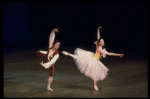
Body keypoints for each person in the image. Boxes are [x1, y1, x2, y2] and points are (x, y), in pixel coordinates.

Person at [62, 27, 124, 91]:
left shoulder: (99, 46)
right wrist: (118, 55)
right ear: (99, 43)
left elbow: (98, 37)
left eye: (103, 41)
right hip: (94, 60)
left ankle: (69, 54)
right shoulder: (99, 48)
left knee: (96, 73)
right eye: (102, 41)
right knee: (95, 73)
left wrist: (98, 30)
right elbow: (109, 53)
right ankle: (95, 86)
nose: (103, 42)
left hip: (96, 60)